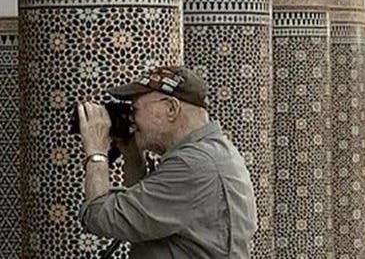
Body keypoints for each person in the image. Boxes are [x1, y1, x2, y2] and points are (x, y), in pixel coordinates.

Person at [77, 65, 257, 258]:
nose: (132, 119)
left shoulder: (193, 165)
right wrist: (133, 159)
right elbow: (147, 218)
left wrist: (96, 151)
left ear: (171, 108)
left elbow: (100, 218)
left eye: (135, 109)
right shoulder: (214, 153)